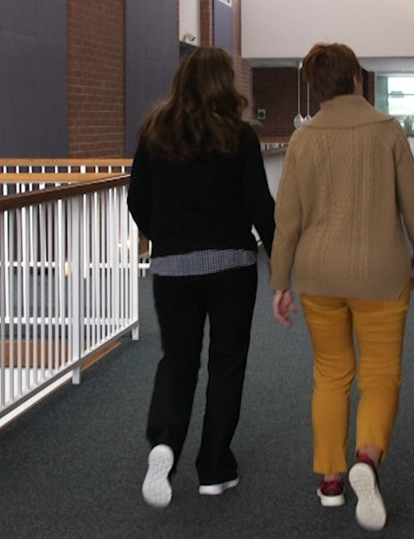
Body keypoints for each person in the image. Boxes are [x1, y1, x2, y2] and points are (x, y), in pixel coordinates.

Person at [270, 42, 414, 531]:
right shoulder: (387, 131)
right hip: (382, 274)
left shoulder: (303, 141)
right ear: (356, 79)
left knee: (331, 373)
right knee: (380, 372)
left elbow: (287, 222)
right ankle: (367, 456)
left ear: (314, 86)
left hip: (319, 277)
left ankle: (332, 480)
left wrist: (280, 281)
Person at [127, 46, 276, 509]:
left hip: (173, 269)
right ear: (224, 84)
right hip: (232, 265)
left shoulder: (155, 133)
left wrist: (166, 238)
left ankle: (165, 444)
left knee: (178, 359)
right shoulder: (240, 137)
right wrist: (283, 260)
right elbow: (259, 206)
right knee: (226, 363)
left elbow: (137, 200)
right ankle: (214, 468)